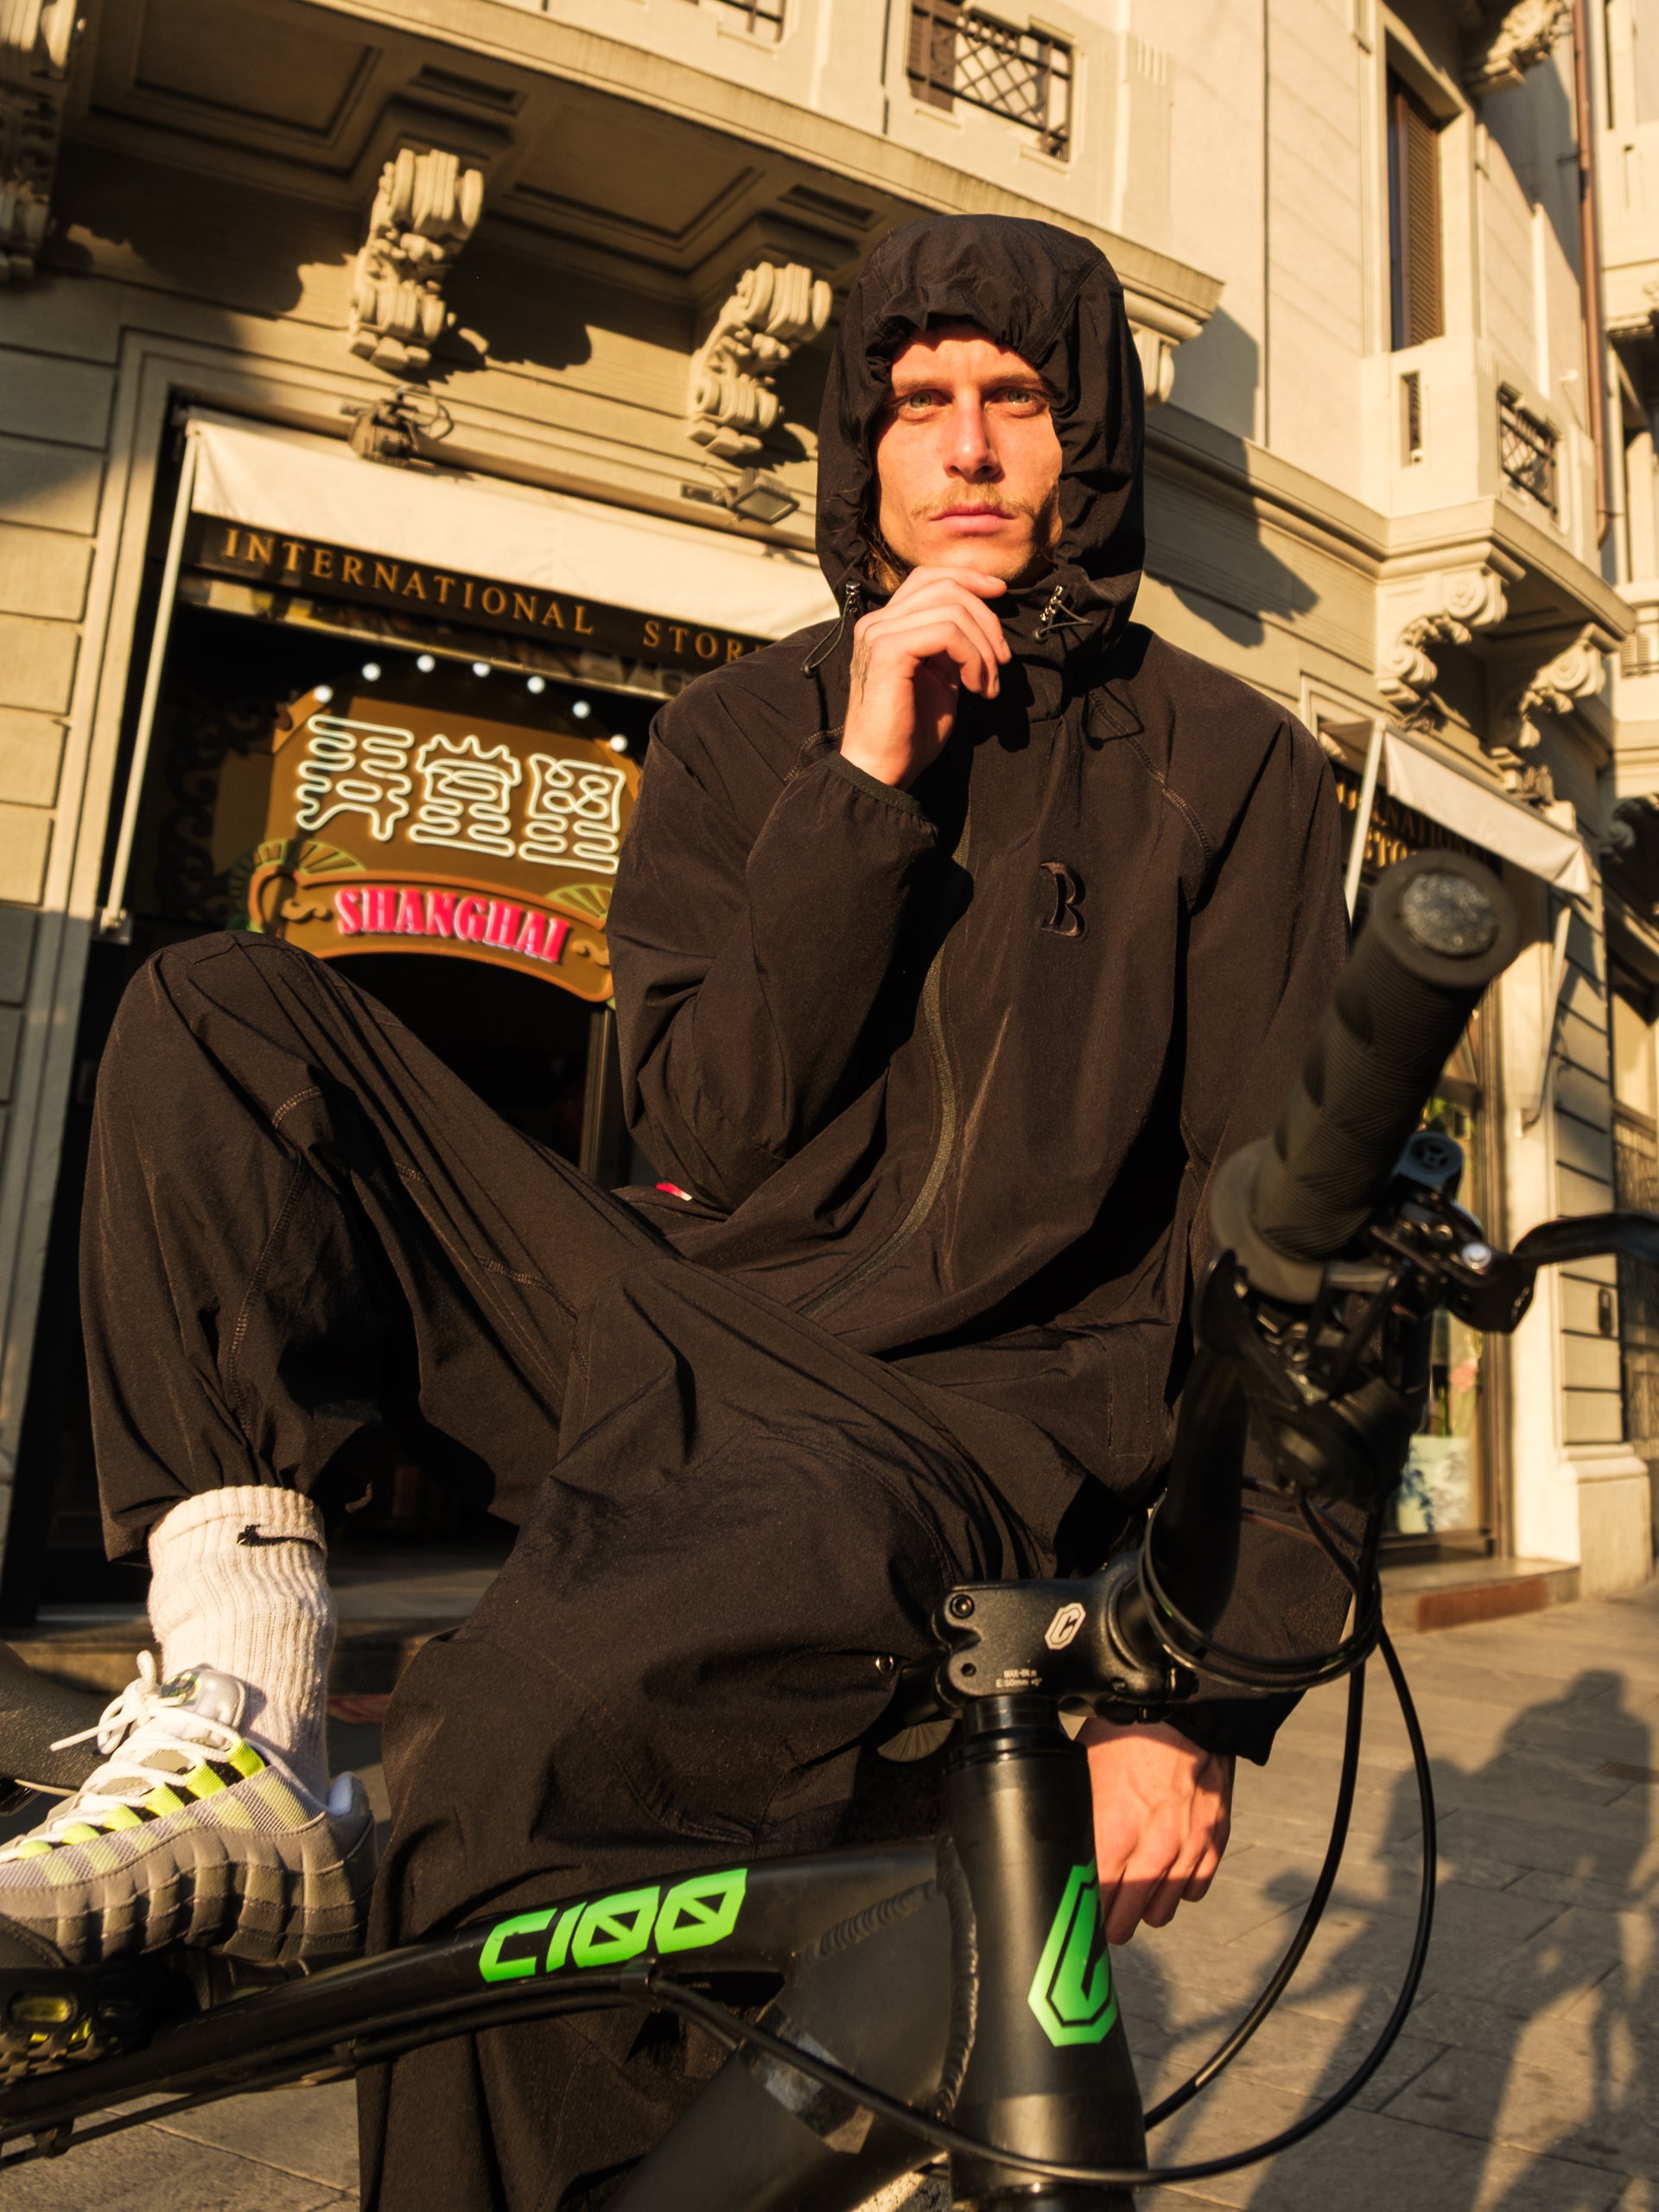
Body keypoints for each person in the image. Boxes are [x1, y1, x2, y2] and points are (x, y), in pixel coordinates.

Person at [0, 213, 1347, 2201]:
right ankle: (239, 1702)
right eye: (915, 408)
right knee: (216, 1012)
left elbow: (1284, 1250)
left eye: (1015, 403)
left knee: (514, 1746)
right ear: (857, 452)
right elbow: (716, 1114)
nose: (965, 450)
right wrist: (867, 776)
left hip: (960, 1430)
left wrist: (1196, 1699)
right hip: (673, 1322)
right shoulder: (744, 730)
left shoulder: (1231, 769)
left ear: (1094, 443)